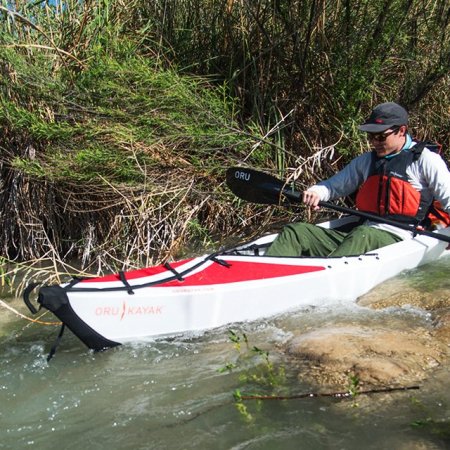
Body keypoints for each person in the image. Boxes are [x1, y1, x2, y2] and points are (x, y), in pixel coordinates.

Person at [265, 102, 450, 257]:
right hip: (361, 235)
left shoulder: (425, 160)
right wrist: (316, 192)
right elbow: (333, 186)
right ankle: (265, 275)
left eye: (380, 136)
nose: (374, 142)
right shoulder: (366, 161)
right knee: (296, 232)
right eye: (371, 136)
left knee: (363, 234)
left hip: (402, 237)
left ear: (401, 131)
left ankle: (327, 276)